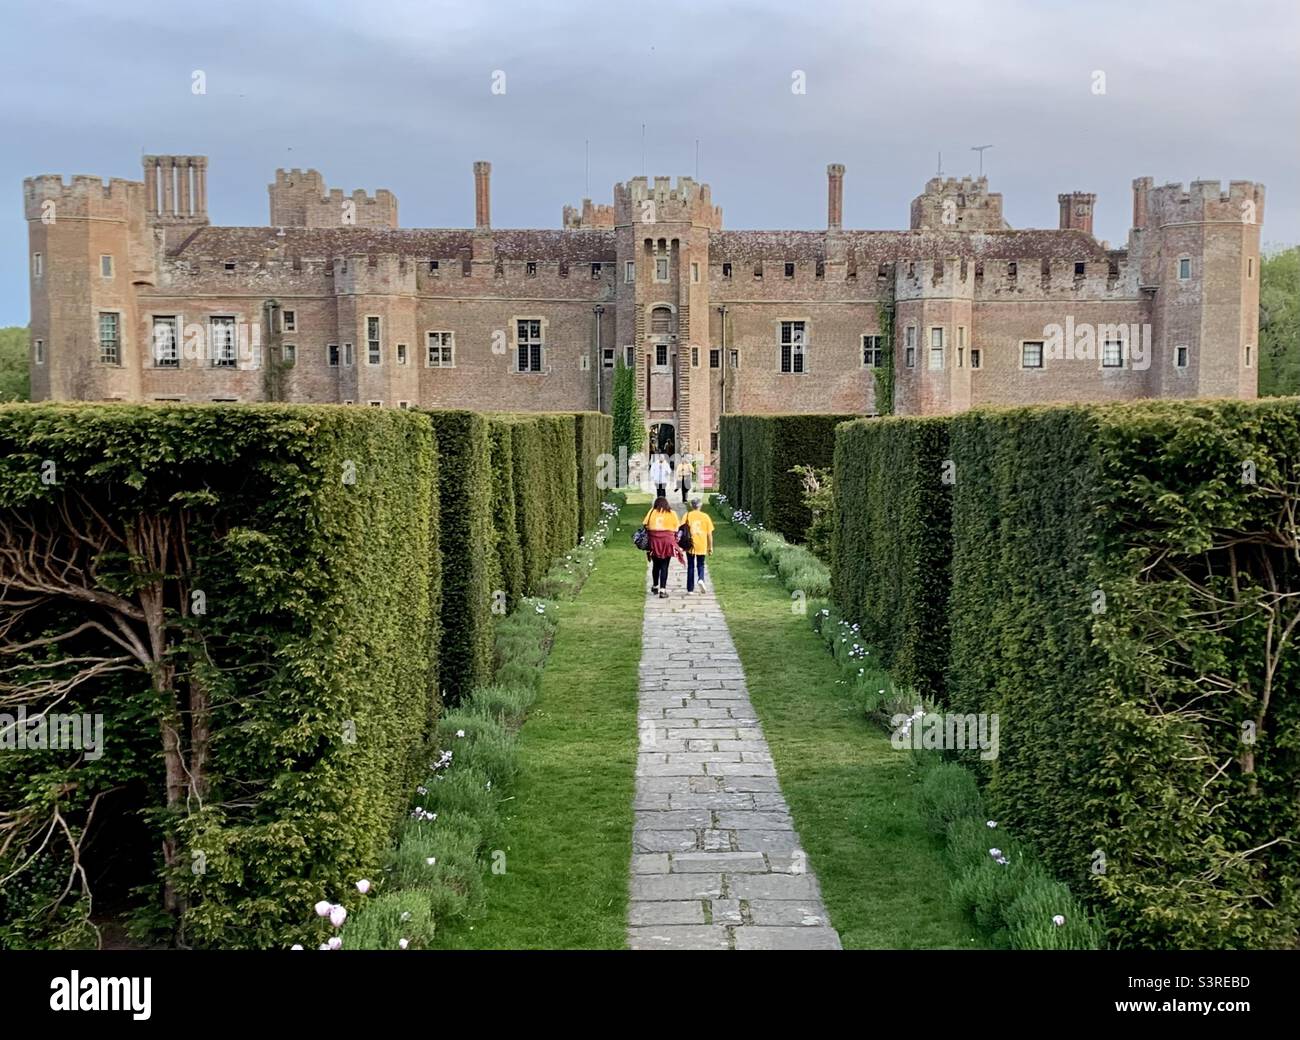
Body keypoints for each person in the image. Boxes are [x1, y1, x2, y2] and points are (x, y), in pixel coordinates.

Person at [642, 496, 682, 597]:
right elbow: (677, 528)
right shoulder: (672, 513)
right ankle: (662, 590)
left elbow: (645, 524)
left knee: (656, 565)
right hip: (667, 541)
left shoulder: (652, 512)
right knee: (664, 565)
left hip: (654, 541)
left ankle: (655, 586)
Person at [682, 497, 714, 593]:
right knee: (701, 564)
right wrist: (710, 547)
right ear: (700, 505)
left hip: (690, 544)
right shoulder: (705, 517)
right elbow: (709, 534)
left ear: (692, 506)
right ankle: (701, 578)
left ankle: (690, 589)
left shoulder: (687, 515)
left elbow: (681, 529)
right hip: (702, 543)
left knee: (690, 565)